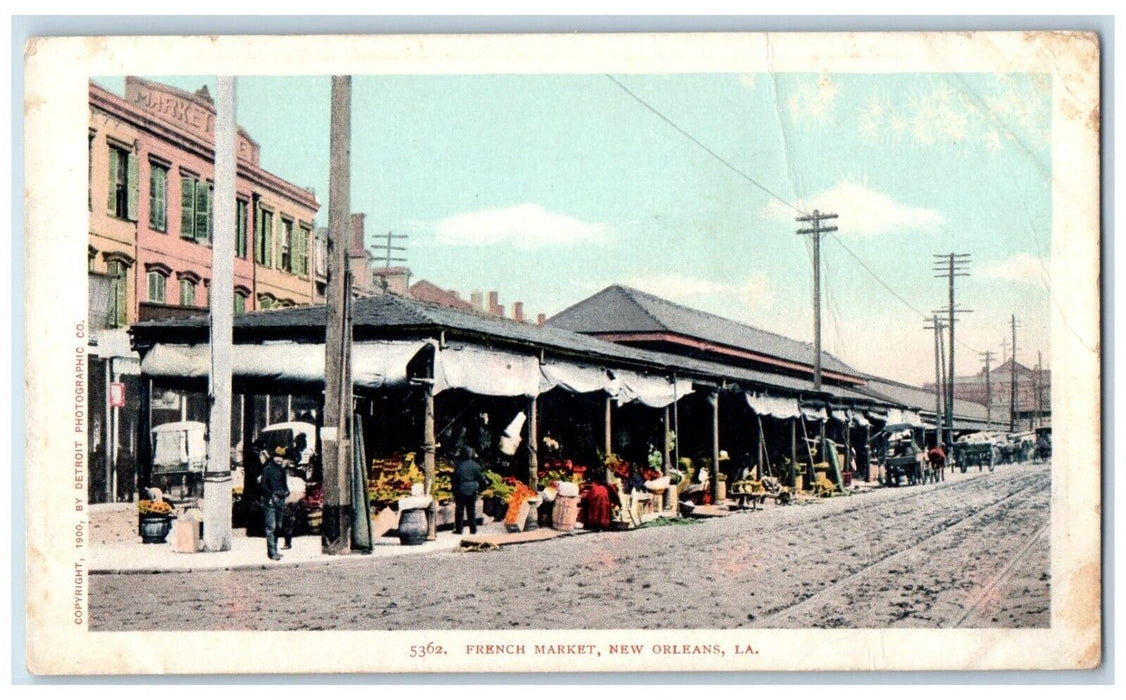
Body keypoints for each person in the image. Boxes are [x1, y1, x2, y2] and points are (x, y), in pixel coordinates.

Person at [260, 446, 290, 560]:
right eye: (277, 457)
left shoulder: (282, 470)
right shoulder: (267, 469)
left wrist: (287, 492)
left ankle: (275, 550)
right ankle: (272, 552)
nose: (279, 459)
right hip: (270, 501)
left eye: (281, 457)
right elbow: (263, 485)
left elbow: (284, 484)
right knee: (271, 527)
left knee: (278, 526)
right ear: (273, 457)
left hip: (280, 499)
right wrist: (271, 496)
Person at [452, 447, 488, 535]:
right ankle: (473, 529)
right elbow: (480, 478)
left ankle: (459, 529)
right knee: (471, 510)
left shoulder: (459, 465)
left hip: (461, 488)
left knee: (459, 510)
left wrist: (454, 489)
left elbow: (454, 478)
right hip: (472, 489)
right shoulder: (475, 466)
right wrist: (483, 487)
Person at [581, 467, 620, 532]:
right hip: (602, 495)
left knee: (595, 507)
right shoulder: (606, 485)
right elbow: (613, 492)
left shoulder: (594, 486)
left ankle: (593, 523)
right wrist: (618, 502)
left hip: (595, 494)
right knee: (603, 509)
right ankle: (602, 524)